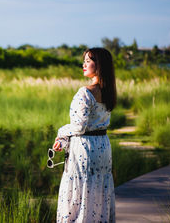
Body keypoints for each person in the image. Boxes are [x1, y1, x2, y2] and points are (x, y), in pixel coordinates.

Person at [53, 47, 116, 223]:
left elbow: (79, 127)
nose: (84, 64)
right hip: (103, 147)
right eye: (84, 61)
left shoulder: (85, 93)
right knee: (98, 193)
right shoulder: (109, 91)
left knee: (78, 195)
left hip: (85, 150)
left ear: (100, 65)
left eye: (89, 61)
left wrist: (61, 132)